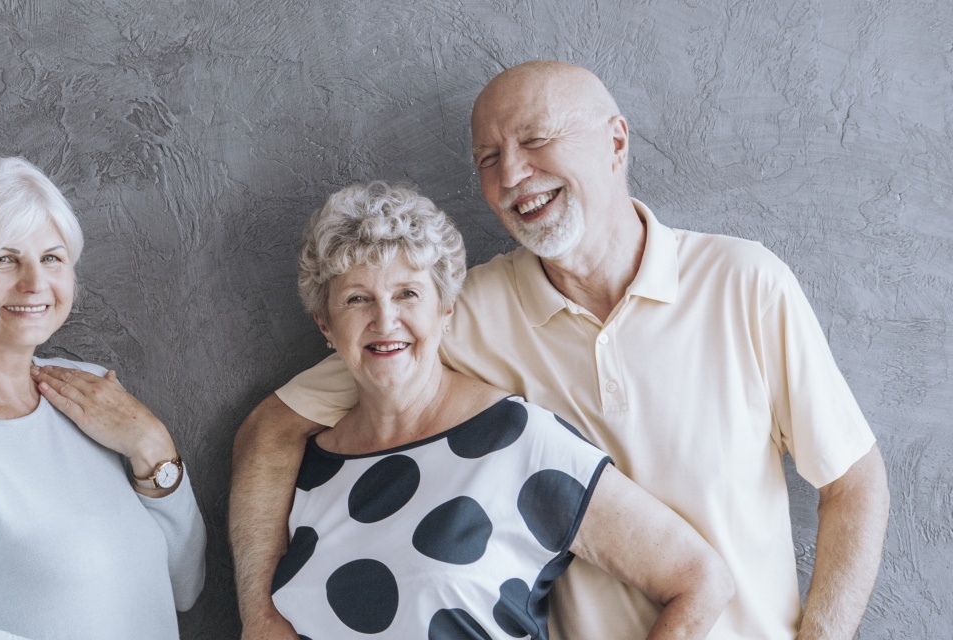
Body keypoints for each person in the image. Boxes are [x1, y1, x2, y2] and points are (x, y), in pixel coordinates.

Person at [231, 61, 890, 640]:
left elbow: (853, 483)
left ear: (616, 142)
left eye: (535, 141)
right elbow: (273, 428)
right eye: (487, 158)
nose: (512, 174)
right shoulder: (462, 311)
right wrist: (262, 618)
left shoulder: (744, 282)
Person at [263, 181, 731, 638]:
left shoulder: (517, 439)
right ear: (325, 323)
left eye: (408, 294)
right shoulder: (311, 471)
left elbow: (700, 578)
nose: (385, 320)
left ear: (445, 309)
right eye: (357, 299)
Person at [0, 156, 207, 640]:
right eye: (4, 259)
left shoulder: (91, 390)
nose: (35, 283)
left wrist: (152, 445)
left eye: (51, 258)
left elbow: (185, 585)